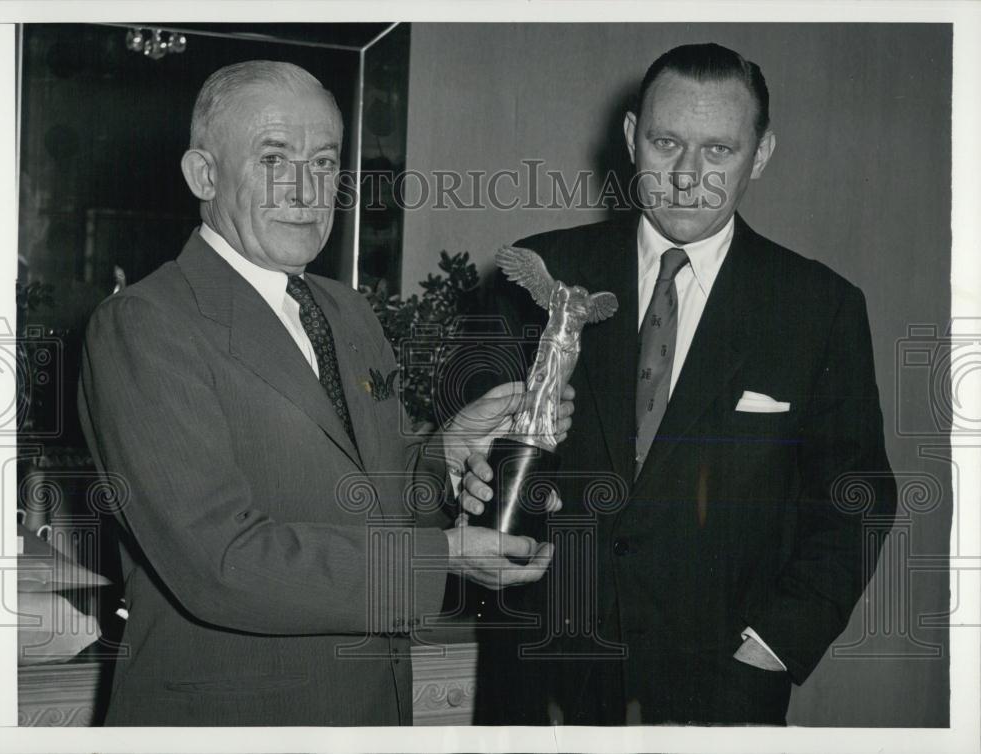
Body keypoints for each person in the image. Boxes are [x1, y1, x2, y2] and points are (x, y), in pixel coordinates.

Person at [77, 60, 569, 726]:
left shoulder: (347, 312)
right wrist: (446, 557)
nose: (306, 190)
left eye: (325, 162)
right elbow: (223, 565)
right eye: (273, 159)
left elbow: (381, 498)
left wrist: (450, 451)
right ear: (203, 174)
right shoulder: (145, 323)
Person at [464, 43, 896, 725]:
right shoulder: (536, 276)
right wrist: (460, 487)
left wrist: (775, 646)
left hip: (721, 695)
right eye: (667, 142)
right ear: (634, 138)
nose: (688, 177)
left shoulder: (820, 307)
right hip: (537, 688)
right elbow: (462, 473)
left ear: (760, 154)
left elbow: (856, 496)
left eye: (719, 151)